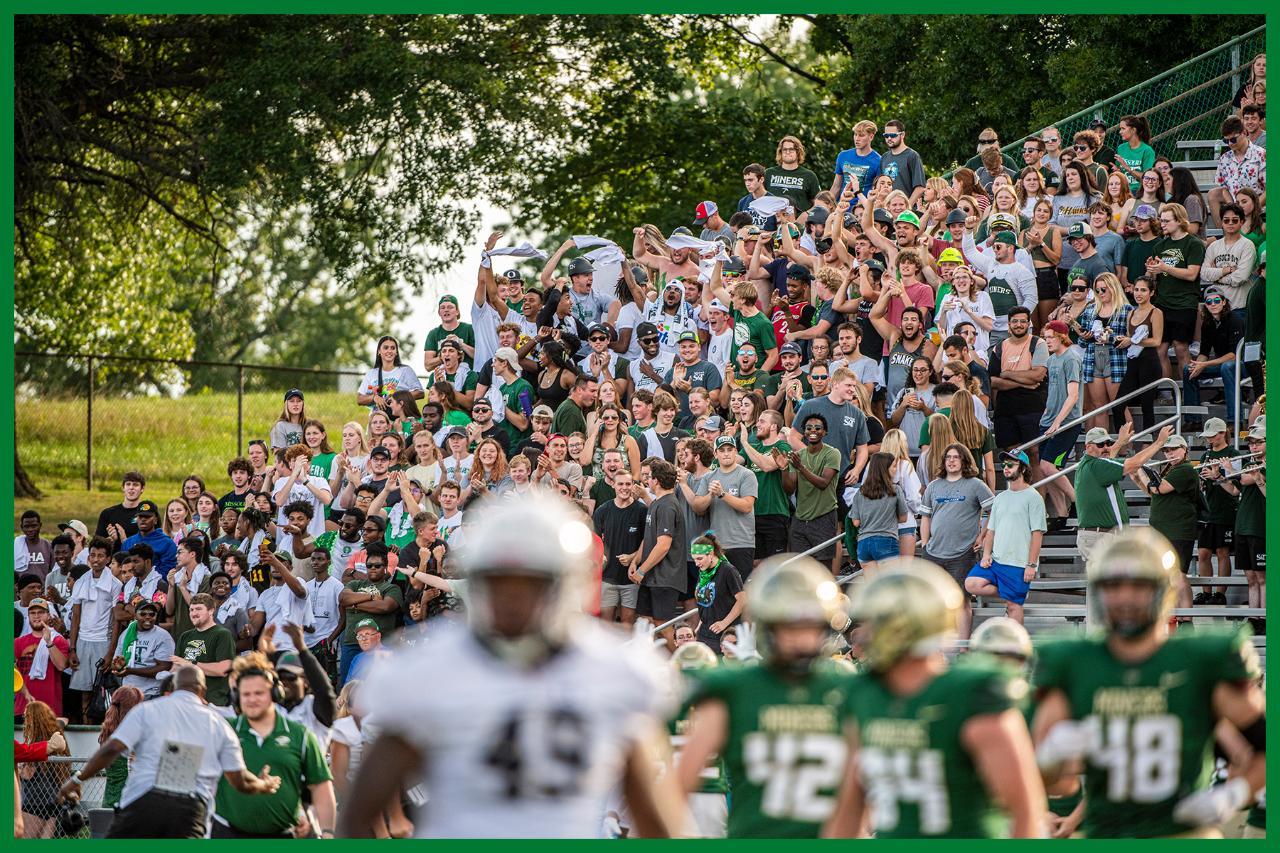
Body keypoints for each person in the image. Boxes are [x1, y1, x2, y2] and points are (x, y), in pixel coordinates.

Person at [340, 499, 681, 839]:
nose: (513, 598)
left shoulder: (613, 671)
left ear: (563, 583)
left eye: (530, 583)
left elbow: (652, 814)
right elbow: (360, 812)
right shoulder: (426, 671)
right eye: (500, 582)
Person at [1032, 528, 1266, 838]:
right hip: (1105, 833)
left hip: (1182, 833)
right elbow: (1034, 773)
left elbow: (1266, 744)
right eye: (1114, 586)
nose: (1125, 597)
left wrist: (1234, 794)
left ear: (1162, 590)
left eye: (1138, 586)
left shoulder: (1199, 660)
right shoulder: (1074, 662)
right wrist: (1049, 757)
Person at [827, 559, 1047, 838]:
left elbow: (1024, 810)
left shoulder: (969, 693)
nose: (865, 633)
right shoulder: (866, 694)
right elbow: (849, 810)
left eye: (875, 622)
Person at [676, 555, 852, 837]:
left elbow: (858, 791)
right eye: (790, 627)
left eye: (810, 625)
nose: (802, 639)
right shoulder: (734, 687)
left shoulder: (846, 688)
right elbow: (678, 784)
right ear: (770, 625)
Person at [59, 666, 281, 838]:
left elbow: (112, 748)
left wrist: (78, 778)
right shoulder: (219, 724)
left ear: (172, 688)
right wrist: (264, 784)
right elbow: (239, 779)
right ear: (203, 691)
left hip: (142, 802)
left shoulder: (147, 710)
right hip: (190, 810)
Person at [917, 444, 993, 638]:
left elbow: (995, 512)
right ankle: (933, 650)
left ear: (964, 460)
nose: (951, 461)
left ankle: (963, 649)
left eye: (956, 457)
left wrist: (981, 535)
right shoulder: (934, 486)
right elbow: (925, 517)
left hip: (962, 554)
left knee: (962, 603)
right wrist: (925, 543)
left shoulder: (975, 484)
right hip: (933, 553)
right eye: (948, 457)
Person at [1073, 424, 1173, 565]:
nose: (1106, 447)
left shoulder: (1090, 464)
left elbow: (1108, 457)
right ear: (1088, 446)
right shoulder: (1097, 466)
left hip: (1100, 534)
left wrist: (1119, 442)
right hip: (1101, 536)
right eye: (1101, 444)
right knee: (1107, 584)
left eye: (1108, 443)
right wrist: (1159, 442)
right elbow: (1135, 463)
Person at [967, 451, 1046, 625]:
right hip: (997, 560)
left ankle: (1018, 649)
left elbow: (1037, 534)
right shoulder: (1001, 498)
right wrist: (986, 554)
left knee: (1013, 607)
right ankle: (1012, 591)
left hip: (1018, 563)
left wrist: (1031, 565)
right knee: (971, 583)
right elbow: (991, 530)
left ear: (1023, 469)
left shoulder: (1034, 497)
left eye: (1011, 464)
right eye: (1004, 465)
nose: (1006, 468)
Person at [632, 458, 688, 648]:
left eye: (649, 477)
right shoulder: (657, 503)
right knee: (645, 621)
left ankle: (678, 662)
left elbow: (663, 545)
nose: (646, 480)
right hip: (652, 576)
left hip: (665, 577)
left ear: (656, 480)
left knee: (662, 626)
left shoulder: (668, 505)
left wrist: (642, 570)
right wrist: (636, 560)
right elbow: (650, 539)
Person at [1147, 203, 1204, 382]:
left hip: (1184, 302)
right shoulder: (1160, 245)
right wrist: (1151, 271)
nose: (1162, 224)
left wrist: (1165, 266)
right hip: (1162, 303)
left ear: (1179, 221)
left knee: (1181, 347)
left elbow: (1191, 274)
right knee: (1159, 349)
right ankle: (1168, 393)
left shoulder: (1193, 243)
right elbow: (1156, 277)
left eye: (1166, 221)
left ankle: (1188, 393)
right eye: (1161, 220)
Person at [67, 537, 122, 719]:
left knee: (105, 695)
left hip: (103, 643)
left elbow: (116, 621)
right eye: (92, 555)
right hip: (83, 641)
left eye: (100, 556)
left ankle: (104, 735)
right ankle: (86, 730)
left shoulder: (115, 585)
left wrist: (110, 653)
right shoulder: (81, 582)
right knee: (85, 695)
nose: (96, 559)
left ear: (108, 559)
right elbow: (76, 616)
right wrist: (72, 649)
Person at [779, 413, 842, 570]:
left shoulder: (832, 453)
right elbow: (790, 488)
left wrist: (801, 468)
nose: (813, 430)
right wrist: (784, 469)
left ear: (825, 432)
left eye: (817, 428)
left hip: (824, 516)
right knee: (800, 569)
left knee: (823, 568)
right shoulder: (798, 456)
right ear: (804, 432)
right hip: (800, 519)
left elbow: (823, 483)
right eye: (808, 428)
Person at [690, 438, 758, 581]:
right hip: (717, 546)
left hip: (741, 543)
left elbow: (747, 506)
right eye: (721, 450)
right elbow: (697, 506)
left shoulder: (747, 474)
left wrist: (722, 494)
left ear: (735, 452)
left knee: (741, 590)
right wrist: (710, 495)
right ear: (715, 454)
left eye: (729, 450)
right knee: (719, 593)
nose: (726, 454)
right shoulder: (709, 477)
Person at [336, 546, 402, 686]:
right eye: (369, 566)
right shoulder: (355, 584)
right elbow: (342, 598)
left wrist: (354, 604)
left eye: (377, 566)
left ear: (385, 567)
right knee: (347, 687)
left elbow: (385, 607)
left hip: (379, 646)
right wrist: (371, 597)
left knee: (377, 687)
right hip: (352, 642)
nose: (372, 568)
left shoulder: (391, 588)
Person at [1193, 418, 1238, 606]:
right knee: (1203, 552)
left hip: (1225, 508)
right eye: (1208, 437)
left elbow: (1236, 484)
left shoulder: (1232, 454)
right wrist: (1202, 480)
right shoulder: (1206, 456)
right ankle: (1206, 592)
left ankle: (1220, 592)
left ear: (1222, 434)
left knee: (1221, 551)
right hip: (1208, 509)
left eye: (1213, 436)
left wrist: (1217, 475)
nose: (1210, 440)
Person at [594, 469, 646, 629]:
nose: (624, 487)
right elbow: (595, 541)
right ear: (613, 486)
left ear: (633, 486)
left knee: (627, 623)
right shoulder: (602, 511)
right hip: (607, 577)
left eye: (628, 484)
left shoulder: (642, 511)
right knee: (605, 624)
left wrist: (632, 557)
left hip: (631, 579)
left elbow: (649, 542)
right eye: (620, 484)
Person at [1112, 275, 1165, 432]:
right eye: (1136, 289)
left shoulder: (1156, 313)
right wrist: (1124, 340)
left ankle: (1147, 445)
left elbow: (1156, 341)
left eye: (1143, 290)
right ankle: (1122, 442)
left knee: (1147, 406)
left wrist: (1132, 340)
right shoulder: (1131, 313)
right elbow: (1131, 341)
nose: (1139, 293)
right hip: (1133, 364)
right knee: (1117, 405)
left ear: (1152, 293)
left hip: (1150, 362)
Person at [846, 451, 909, 575]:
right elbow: (903, 518)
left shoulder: (860, 492)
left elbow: (856, 522)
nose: (896, 469)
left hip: (864, 544)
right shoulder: (895, 490)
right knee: (889, 587)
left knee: (872, 590)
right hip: (886, 541)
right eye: (894, 466)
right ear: (885, 469)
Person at [172, 593, 236, 709]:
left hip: (213, 702)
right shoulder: (185, 636)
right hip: (185, 702)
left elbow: (223, 669)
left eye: (198, 609)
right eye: (191, 610)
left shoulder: (222, 634)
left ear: (211, 611)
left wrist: (190, 665)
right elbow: (176, 668)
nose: (194, 613)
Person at [687, 533, 744, 655]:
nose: (696, 563)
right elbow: (706, 603)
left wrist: (724, 623)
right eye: (694, 559)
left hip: (724, 633)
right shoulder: (704, 571)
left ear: (711, 554)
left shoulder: (728, 570)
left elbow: (743, 600)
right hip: (705, 632)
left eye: (699, 558)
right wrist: (699, 626)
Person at [15, 597, 71, 717]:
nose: (36, 616)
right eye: (32, 613)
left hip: (49, 708)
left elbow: (61, 666)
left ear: (48, 615)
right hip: (23, 707)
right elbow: (14, 673)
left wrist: (48, 642)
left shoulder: (58, 640)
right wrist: (26, 693)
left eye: (41, 612)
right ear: (28, 616)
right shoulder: (18, 643)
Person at [1209, 114, 1266, 225]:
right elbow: (1224, 189)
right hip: (1236, 210)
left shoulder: (1261, 154)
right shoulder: (1224, 159)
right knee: (1213, 193)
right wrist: (1235, 208)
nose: (1230, 143)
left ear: (1244, 133)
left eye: (1233, 139)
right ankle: (1222, 234)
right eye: (1226, 141)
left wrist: (1252, 208)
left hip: (1259, 209)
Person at [358, 335, 424, 413]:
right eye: (386, 348)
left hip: (400, 418)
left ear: (396, 352)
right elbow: (360, 399)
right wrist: (374, 397)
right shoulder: (371, 373)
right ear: (379, 351)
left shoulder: (405, 370)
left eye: (393, 348)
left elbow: (420, 393)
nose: (389, 351)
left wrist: (398, 397)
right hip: (379, 421)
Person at [764, 135, 821, 212]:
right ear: (780, 152)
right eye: (784, 149)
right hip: (772, 220)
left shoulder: (809, 175)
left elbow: (819, 203)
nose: (787, 152)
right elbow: (759, 198)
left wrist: (806, 215)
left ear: (798, 152)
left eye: (791, 149)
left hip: (799, 222)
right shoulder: (769, 173)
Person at [880, 119, 927, 206]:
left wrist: (906, 208)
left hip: (906, 212)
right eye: (886, 135)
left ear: (902, 135)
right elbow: (880, 186)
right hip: (888, 210)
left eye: (893, 135)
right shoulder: (884, 157)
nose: (889, 138)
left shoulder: (912, 156)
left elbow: (920, 188)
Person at [95, 471, 146, 545]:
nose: (131, 487)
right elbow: (96, 546)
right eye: (128, 484)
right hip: (113, 556)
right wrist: (111, 539)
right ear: (123, 488)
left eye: (135, 485)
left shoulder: (148, 514)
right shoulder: (107, 514)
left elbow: (153, 543)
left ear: (142, 489)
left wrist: (125, 540)